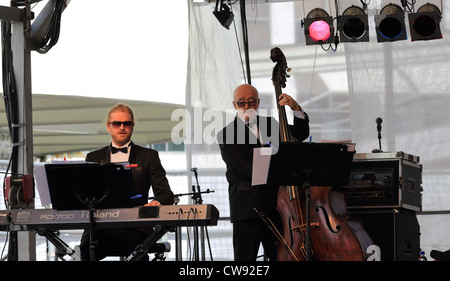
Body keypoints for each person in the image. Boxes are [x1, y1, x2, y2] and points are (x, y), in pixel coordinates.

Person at [217, 84, 310, 261]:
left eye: (251, 102)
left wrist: (296, 109)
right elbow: (239, 167)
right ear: (234, 104)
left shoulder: (271, 124)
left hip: (276, 206)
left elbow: (299, 135)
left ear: (258, 102)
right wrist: (277, 169)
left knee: (279, 256)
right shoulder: (227, 133)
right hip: (246, 208)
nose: (246, 106)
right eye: (241, 102)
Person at [79, 103, 174, 261]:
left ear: (132, 126)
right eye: (117, 123)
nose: (122, 127)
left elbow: (166, 194)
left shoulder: (149, 156)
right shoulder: (93, 158)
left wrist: (156, 202)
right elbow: (85, 193)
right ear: (109, 126)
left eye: (127, 123)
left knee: (138, 253)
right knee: (85, 252)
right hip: (100, 228)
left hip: (137, 228)